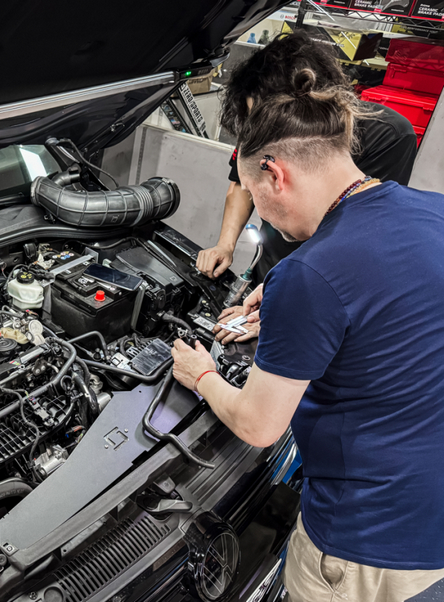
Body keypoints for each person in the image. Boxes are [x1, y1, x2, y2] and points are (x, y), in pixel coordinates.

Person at [171, 66, 444, 601]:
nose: (262, 215)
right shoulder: (433, 210)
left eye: (254, 195)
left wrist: (200, 374)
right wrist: (292, 303)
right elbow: (388, 305)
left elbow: (258, 426)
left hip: (363, 542)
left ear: (274, 174)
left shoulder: (310, 275)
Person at [196, 32, 417, 286]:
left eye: (265, 121)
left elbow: (362, 231)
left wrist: (293, 287)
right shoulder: (259, 117)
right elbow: (241, 184)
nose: (260, 130)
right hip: (272, 265)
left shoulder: (389, 135)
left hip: (325, 278)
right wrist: (225, 245)